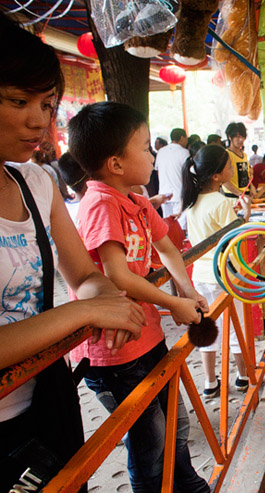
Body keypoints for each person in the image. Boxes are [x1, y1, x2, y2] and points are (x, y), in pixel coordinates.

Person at [0, 13, 145, 490]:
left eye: (46, 103)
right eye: (19, 101)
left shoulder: (36, 183)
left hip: (46, 400)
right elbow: (84, 297)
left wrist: (103, 298)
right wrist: (87, 312)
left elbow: (84, 272)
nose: (38, 119)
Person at [67, 101, 210, 493]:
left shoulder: (137, 200)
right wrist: (173, 303)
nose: (153, 155)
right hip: (114, 352)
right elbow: (117, 275)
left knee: (174, 424)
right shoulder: (100, 202)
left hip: (146, 337)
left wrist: (187, 289)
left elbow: (166, 248)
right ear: (115, 163)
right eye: (146, 147)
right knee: (148, 442)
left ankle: (187, 484)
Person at [181, 144, 252, 397]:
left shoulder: (191, 202)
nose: (232, 168)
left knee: (206, 327)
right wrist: (245, 216)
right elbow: (233, 240)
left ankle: (210, 382)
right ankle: (243, 377)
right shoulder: (221, 203)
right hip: (223, 275)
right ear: (216, 176)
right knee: (234, 328)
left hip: (200, 275)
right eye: (229, 166)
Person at [155, 127, 189, 230]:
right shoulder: (184, 153)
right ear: (182, 138)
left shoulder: (161, 152)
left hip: (164, 194)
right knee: (181, 226)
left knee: (167, 225)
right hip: (179, 193)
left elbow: (158, 172)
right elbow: (187, 175)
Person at [222, 122, 255, 197]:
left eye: (243, 137)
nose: (241, 140)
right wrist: (239, 194)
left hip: (246, 195)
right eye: (237, 137)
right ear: (230, 137)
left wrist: (251, 186)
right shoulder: (226, 155)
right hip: (233, 196)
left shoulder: (244, 155)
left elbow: (247, 175)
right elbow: (223, 180)